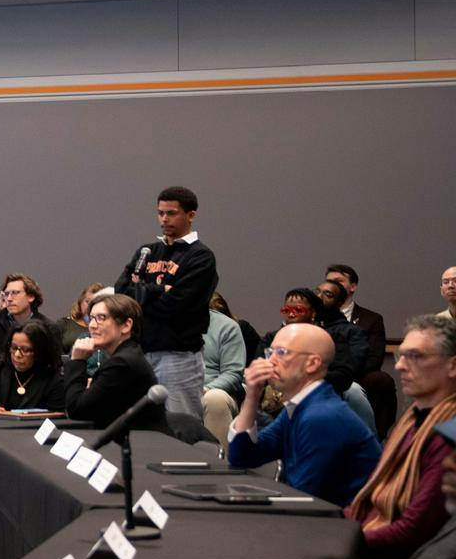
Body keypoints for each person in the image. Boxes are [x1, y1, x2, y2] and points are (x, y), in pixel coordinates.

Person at [226, 324, 381, 507]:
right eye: (271, 353)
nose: (270, 362)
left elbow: (304, 499)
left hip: (343, 527)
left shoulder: (322, 416)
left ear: (312, 363)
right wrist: (252, 396)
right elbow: (242, 457)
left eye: (281, 353)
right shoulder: (301, 407)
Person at [348, 315, 456, 559]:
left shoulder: (448, 436)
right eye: (401, 355)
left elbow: (412, 532)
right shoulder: (410, 421)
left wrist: (338, 540)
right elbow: (370, 501)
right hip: (373, 540)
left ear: (452, 366)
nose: (399, 366)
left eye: (415, 356)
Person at [114, 185, 217, 420]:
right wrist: (160, 289)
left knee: (180, 423)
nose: (164, 219)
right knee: (140, 422)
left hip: (178, 355)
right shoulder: (147, 251)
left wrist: (141, 293)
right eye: (160, 213)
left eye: (171, 213)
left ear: (190, 215)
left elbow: (176, 306)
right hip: (141, 351)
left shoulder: (200, 256)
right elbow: (121, 293)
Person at [65, 293, 167, 430]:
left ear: (126, 325)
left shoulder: (122, 363)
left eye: (101, 318)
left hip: (140, 446)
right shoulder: (128, 354)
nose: (92, 326)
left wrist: (77, 360)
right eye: (91, 318)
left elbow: (76, 410)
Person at [327, 263, 396, 437]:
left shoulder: (371, 319)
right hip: (325, 373)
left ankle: (374, 438)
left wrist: (346, 374)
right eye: (329, 281)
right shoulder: (317, 318)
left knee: (381, 380)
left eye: (338, 281)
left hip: (358, 374)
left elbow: (374, 357)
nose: (332, 285)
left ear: (353, 286)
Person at [278, 287, 366, 396]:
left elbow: (343, 377)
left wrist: (306, 377)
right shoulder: (273, 338)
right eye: (286, 311)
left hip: (322, 394)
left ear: (313, 313)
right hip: (278, 399)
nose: (291, 315)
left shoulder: (332, 338)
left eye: (298, 310)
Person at [0, 321, 66, 412]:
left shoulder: (53, 380)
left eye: (26, 350)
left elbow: (56, 419)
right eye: (13, 348)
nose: (17, 354)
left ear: (40, 351)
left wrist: (9, 416)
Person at [199, 304, 252, 439]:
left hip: (212, 390)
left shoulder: (225, 326)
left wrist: (205, 389)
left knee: (214, 399)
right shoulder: (159, 323)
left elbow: (233, 373)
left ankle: (218, 459)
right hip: (171, 389)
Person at [54, 282, 105, 357]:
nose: (90, 306)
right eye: (87, 301)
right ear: (80, 302)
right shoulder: (64, 324)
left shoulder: (106, 328)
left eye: (96, 303)